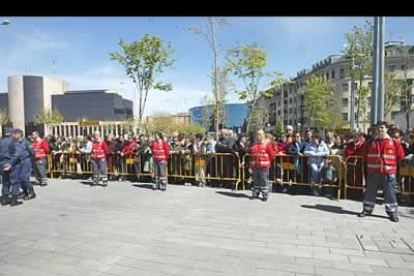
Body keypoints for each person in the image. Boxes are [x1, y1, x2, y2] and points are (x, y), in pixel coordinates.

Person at [358, 121, 405, 222]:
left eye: (382, 128)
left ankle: (392, 213)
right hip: (373, 171)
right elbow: (364, 154)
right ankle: (367, 210)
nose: (380, 130)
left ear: (386, 129)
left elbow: (400, 156)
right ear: (375, 130)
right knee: (370, 191)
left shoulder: (394, 142)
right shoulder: (370, 142)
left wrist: (390, 165)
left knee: (390, 193)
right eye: (378, 128)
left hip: (388, 172)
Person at [1, 129, 26, 206]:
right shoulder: (14, 141)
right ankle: (14, 200)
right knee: (15, 182)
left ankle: (4, 199)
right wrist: (10, 163)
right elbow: (18, 153)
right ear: (12, 134)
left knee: (5, 182)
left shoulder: (1, 141)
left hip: (2, 163)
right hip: (13, 164)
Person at [249, 130, 274, 201]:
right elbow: (252, 155)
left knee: (263, 180)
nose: (258, 136)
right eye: (257, 134)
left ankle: (265, 194)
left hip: (263, 166)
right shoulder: (254, 144)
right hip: (255, 165)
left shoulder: (267, 143)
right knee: (256, 180)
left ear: (263, 135)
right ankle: (255, 193)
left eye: (260, 134)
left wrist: (267, 161)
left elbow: (271, 155)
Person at [20, 133, 36, 200]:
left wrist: (29, 160)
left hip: (25, 161)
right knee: (19, 178)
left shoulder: (26, 142)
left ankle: (32, 192)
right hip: (18, 162)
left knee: (24, 178)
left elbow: (32, 153)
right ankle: (25, 192)